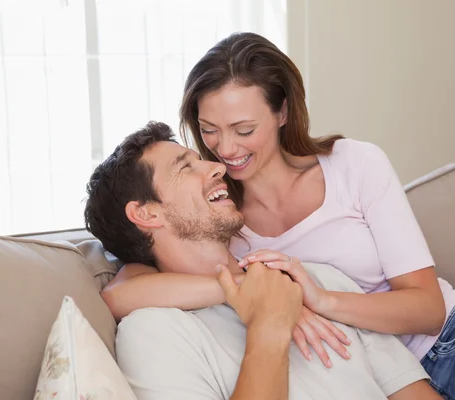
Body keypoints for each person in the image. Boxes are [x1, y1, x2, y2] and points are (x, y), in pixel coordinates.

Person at [100, 32, 455, 398]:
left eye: (244, 130)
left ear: (282, 112)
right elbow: (120, 293)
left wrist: (316, 299)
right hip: (369, 361)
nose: (225, 150)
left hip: (440, 342)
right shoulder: (217, 219)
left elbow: (428, 309)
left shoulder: (353, 165)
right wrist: (258, 292)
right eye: (209, 131)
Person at [84, 121, 439, 400]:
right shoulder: (154, 333)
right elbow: (116, 293)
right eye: (184, 167)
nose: (216, 167)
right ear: (145, 214)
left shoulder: (312, 279)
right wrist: (269, 323)